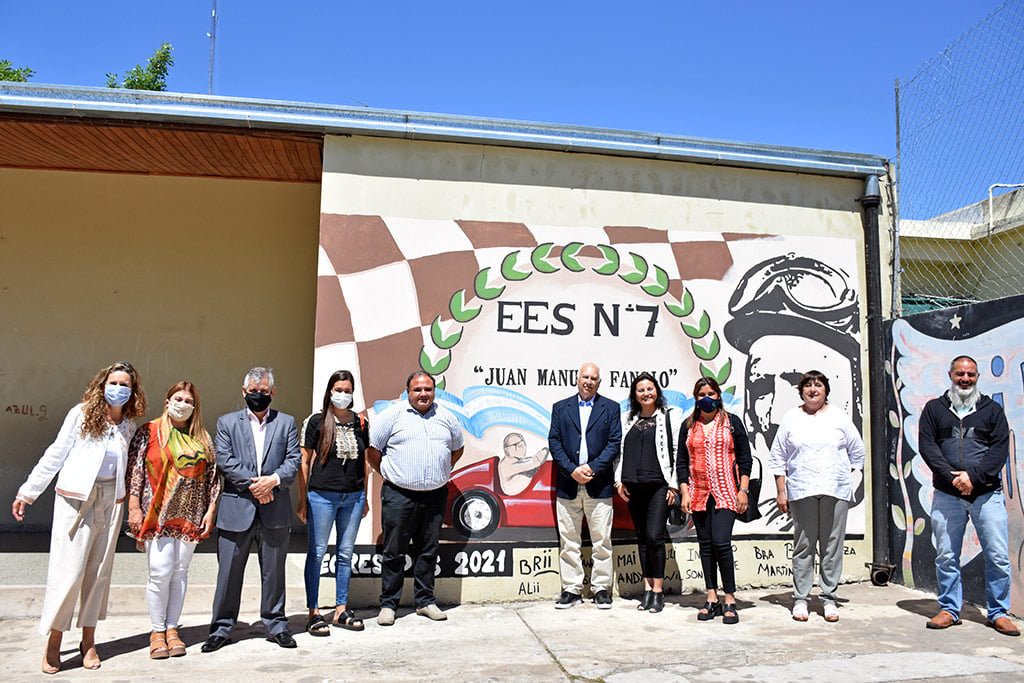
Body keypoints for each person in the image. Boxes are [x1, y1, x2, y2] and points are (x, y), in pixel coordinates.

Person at [12, 361, 146, 674]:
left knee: (98, 573)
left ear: (133, 391)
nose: (118, 389)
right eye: (113, 383)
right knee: (68, 572)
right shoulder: (82, 414)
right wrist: (28, 492)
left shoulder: (128, 425)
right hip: (76, 500)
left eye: (125, 385)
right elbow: (56, 453)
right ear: (102, 385)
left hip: (112, 502)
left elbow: (131, 469)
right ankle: (55, 640)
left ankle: (89, 640)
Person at [202, 367, 301, 652]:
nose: (259, 395)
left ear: (272, 392)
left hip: (275, 510)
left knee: (274, 573)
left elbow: (293, 459)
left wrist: (273, 481)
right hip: (237, 510)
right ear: (244, 391)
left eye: (264, 391)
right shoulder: (227, 423)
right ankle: (221, 628)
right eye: (254, 391)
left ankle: (276, 624)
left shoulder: (286, 422)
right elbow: (225, 460)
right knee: (228, 574)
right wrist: (257, 486)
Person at [918, 356, 1018, 636]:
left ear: (977, 377)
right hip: (946, 494)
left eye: (970, 374)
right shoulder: (934, 409)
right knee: (946, 555)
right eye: (960, 374)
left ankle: (998, 613)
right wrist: (953, 478)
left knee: (998, 556)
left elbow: (999, 449)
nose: (965, 379)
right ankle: (950, 609)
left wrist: (973, 478)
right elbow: (928, 446)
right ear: (950, 375)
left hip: (986, 494)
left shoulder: (992, 410)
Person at [126, 380, 220, 659]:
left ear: (195, 407)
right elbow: (135, 470)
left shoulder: (202, 437)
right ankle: (156, 631)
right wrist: (133, 507)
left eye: (189, 401)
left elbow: (213, 476)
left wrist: (211, 510)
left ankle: (171, 629)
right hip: (157, 513)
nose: (183, 404)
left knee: (179, 572)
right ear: (167, 402)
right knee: (159, 572)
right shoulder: (149, 431)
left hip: (191, 514)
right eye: (178, 399)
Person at [366, 371, 465, 626]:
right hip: (399, 496)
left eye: (428, 389)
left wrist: (441, 470)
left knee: (428, 551)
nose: (423, 394)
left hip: (434, 497)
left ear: (434, 391)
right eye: (417, 389)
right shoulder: (392, 416)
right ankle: (389, 604)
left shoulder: (447, 417)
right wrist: (391, 474)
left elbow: (457, 449)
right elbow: (373, 451)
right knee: (394, 552)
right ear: (408, 391)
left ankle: (425, 601)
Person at [768, 370, 864, 623]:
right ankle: (801, 598)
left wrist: (840, 475)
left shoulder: (839, 416)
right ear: (801, 391)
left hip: (835, 491)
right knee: (804, 546)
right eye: (808, 386)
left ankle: (829, 599)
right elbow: (777, 457)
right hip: (802, 490)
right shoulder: (791, 418)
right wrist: (781, 491)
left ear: (826, 391)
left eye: (818, 385)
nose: (813, 390)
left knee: (832, 546)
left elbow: (857, 451)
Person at [297, 370, 370, 636]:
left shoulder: (361, 422)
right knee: (317, 553)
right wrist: (302, 499)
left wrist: (364, 496)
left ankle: (341, 609)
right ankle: (314, 612)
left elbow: (364, 461)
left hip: (353, 496)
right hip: (322, 496)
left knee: (345, 553)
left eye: (347, 390)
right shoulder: (316, 421)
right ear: (330, 391)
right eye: (338, 390)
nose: (343, 395)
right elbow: (304, 461)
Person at [547, 362, 622, 609]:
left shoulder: (611, 408)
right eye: (585, 377)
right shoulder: (560, 408)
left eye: (593, 378)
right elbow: (554, 441)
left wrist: (592, 468)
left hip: (598, 485)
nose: (588, 381)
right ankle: (571, 589)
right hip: (568, 484)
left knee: (602, 540)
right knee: (569, 540)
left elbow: (614, 442)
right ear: (577, 379)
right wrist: (572, 470)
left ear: (599, 382)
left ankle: (601, 589)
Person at [677, 377, 752, 624]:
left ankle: (730, 598)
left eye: (711, 393)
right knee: (706, 546)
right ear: (696, 398)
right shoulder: (689, 425)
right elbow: (681, 463)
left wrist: (743, 490)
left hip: (726, 492)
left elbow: (745, 458)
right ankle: (711, 597)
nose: (706, 398)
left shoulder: (732, 422)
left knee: (721, 543)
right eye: (702, 394)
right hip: (698, 493)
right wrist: (684, 492)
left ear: (718, 395)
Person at [614, 372, 681, 614]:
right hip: (633, 486)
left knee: (654, 537)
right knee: (642, 538)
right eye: (640, 390)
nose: (646, 393)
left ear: (657, 391)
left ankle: (658, 590)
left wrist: (674, 485)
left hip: (658, 486)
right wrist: (618, 482)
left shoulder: (669, 416)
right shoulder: (627, 419)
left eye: (650, 389)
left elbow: (677, 452)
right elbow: (619, 453)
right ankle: (647, 589)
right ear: (634, 394)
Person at [497, 431, 549, 496]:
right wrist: (546, 450)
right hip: (518, 495)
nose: (523, 447)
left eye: (523, 443)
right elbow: (536, 462)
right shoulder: (507, 465)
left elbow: (533, 460)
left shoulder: (516, 460)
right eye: (517, 445)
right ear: (507, 449)